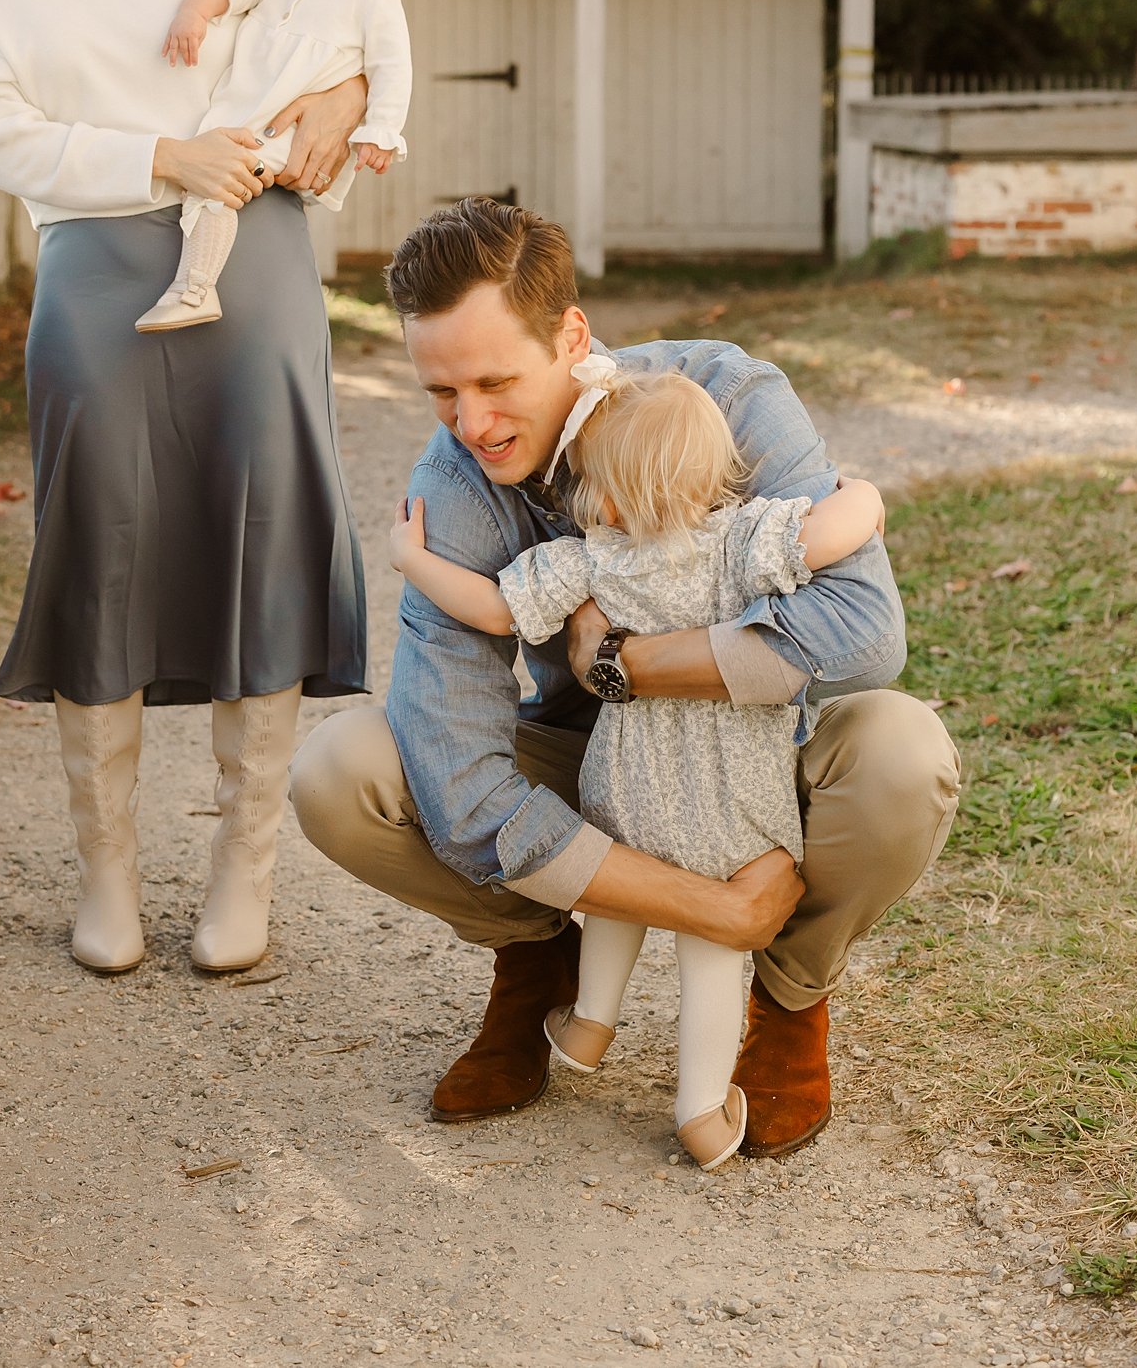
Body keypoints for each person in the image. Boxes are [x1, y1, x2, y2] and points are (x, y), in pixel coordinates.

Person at [292, 198, 960, 1157]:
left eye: (494, 380)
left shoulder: (724, 399)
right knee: (342, 774)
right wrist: (711, 908)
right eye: (440, 391)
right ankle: (537, 958)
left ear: (571, 335)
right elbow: (455, 771)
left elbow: (862, 632)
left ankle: (787, 994)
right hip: (591, 768)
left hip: (755, 766)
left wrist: (625, 664)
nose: (471, 423)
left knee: (904, 751)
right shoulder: (452, 487)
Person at [0, 0, 368, 980]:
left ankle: (244, 879)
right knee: (103, 542)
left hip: (258, 260)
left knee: (266, 523)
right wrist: (159, 152)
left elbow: (340, 27)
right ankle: (109, 880)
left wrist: (344, 91)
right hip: (93, 268)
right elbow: (3, 136)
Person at [389, 359, 886, 1168]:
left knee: (617, 892)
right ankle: (698, 1112)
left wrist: (411, 559)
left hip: (623, 790)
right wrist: (865, 494)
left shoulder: (591, 558)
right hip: (734, 806)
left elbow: (491, 606)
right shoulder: (743, 542)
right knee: (712, 953)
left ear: (608, 496)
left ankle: (587, 1025)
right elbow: (833, 531)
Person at [138, 0, 411, 332]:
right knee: (207, 187)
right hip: (243, 117)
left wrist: (381, 129)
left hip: (290, 134)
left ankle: (194, 286)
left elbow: (391, 65)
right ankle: (197, 283)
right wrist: (194, 13)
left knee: (215, 189)